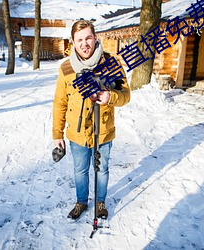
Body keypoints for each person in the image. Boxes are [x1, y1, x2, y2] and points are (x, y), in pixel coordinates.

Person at [52, 20, 130, 220]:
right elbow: (60, 102)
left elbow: (125, 95)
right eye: (79, 40)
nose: (84, 43)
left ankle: (101, 202)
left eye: (88, 38)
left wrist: (110, 97)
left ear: (96, 38)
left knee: (102, 168)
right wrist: (57, 134)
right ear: (73, 42)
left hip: (103, 130)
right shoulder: (67, 68)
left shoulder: (111, 63)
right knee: (80, 170)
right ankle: (81, 202)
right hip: (77, 133)